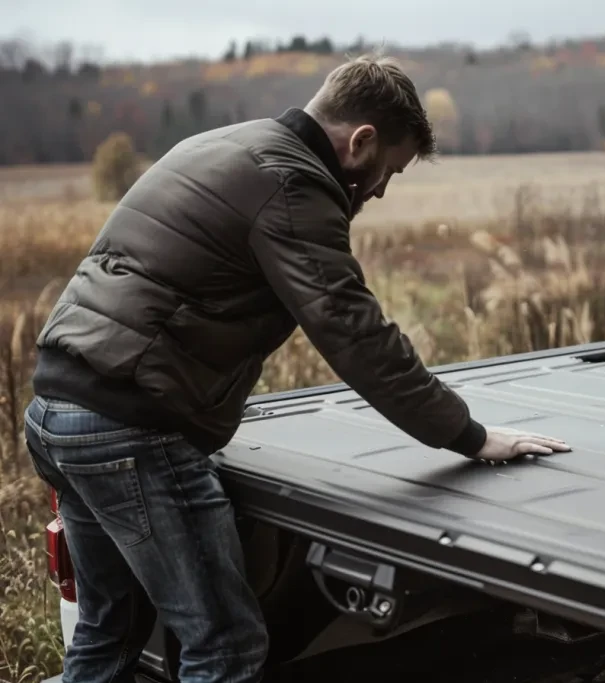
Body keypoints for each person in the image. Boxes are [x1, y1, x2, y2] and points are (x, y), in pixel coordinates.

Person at [23, 53, 570, 683]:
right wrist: (470, 435)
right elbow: (356, 335)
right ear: (361, 140)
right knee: (224, 648)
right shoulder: (291, 183)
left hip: (60, 411)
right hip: (131, 430)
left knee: (106, 631)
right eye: (387, 170)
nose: (382, 190)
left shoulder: (228, 144)